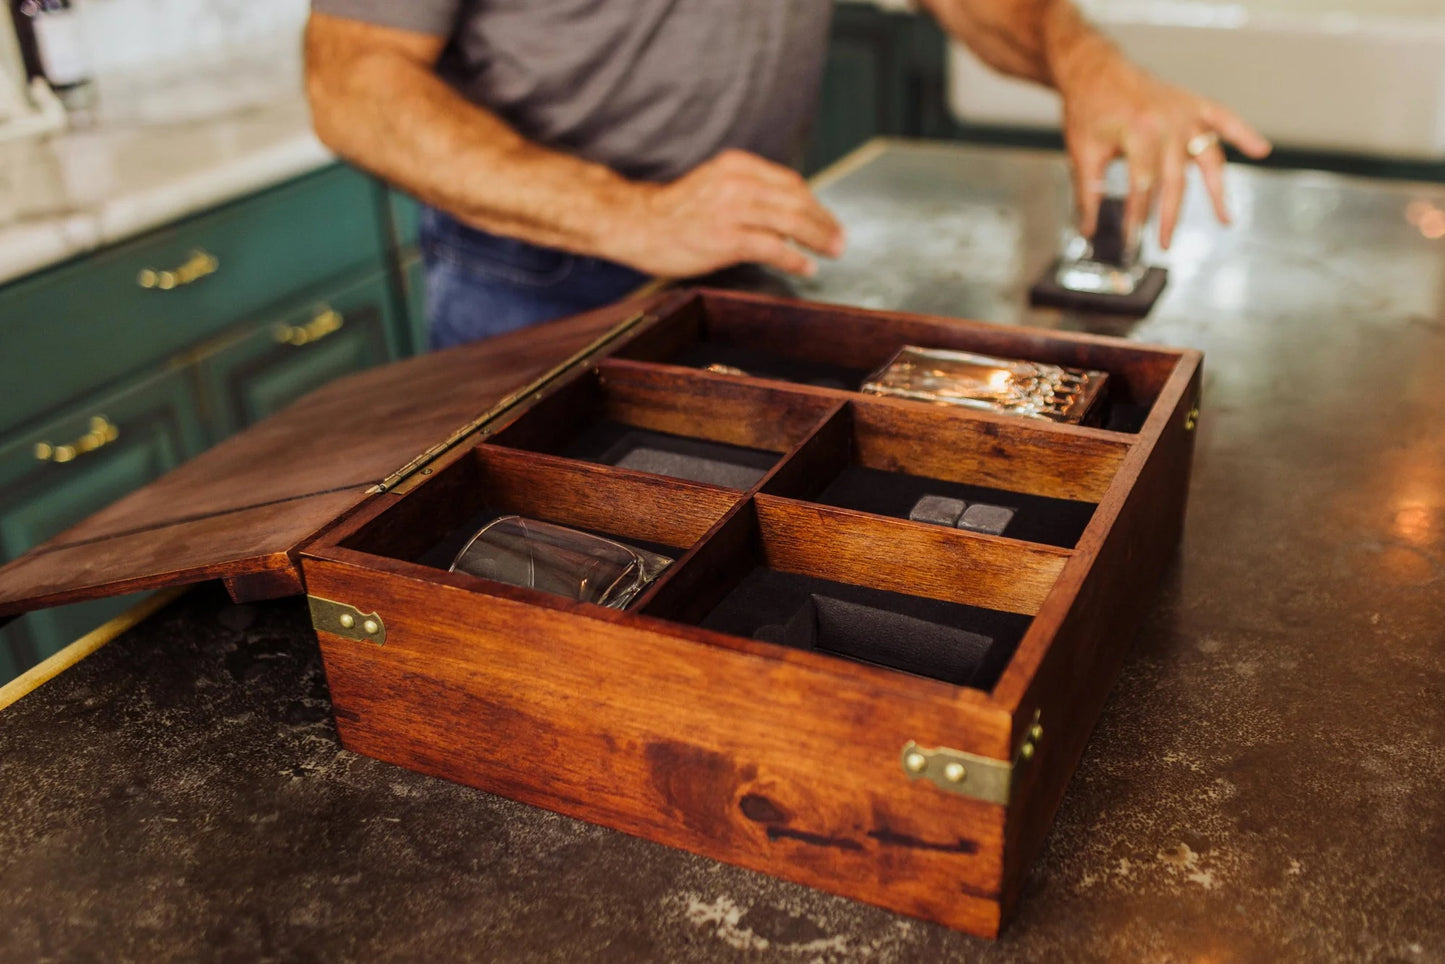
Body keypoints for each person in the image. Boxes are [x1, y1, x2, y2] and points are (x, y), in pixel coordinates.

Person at [305, 1, 1270, 349]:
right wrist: (629, 213)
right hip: (534, 276)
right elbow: (350, 79)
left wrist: (1078, 52)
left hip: (746, 244)